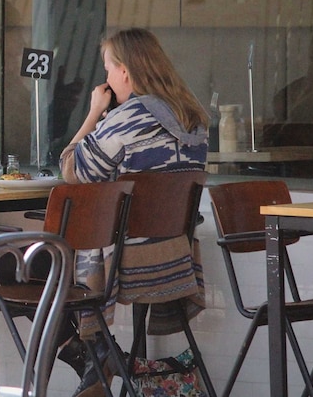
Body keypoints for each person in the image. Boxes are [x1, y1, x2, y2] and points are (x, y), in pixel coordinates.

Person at [58, 27, 209, 397]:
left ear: (125, 71)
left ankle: (93, 353)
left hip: (128, 258)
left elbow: (73, 169)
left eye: (108, 68)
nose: (106, 78)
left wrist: (94, 112)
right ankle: (95, 357)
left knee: (42, 267)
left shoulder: (131, 115)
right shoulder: (194, 116)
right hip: (175, 253)